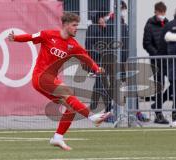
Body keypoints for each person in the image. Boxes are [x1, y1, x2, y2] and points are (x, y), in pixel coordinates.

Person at [8, 12, 112, 151]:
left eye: (77, 25)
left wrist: (96, 68)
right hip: (40, 77)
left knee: (71, 107)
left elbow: (86, 57)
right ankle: (92, 117)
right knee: (68, 93)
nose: (76, 28)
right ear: (66, 25)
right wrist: (15, 38)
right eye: (74, 25)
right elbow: (30, 37)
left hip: (50, 80)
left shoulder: (73, 45)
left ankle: (58, 137)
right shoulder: (48, 35)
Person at [142, 1, 169, 124]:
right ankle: (158, 114)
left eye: (163, 12)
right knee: (159, 86)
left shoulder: (168, 23)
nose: (161, 14)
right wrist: (157, 54)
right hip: (156, 61)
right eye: (159, 12)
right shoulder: (149, 25)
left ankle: (158, 104)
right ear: (156, 12)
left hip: (169, 61)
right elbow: (146, 43)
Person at [85, 11, 112, 117]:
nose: (104, 20)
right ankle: (108, 109)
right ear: (98, 19)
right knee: (103, 84)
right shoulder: (93, 28)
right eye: (102, 18)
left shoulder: (101, 28)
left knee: (99, 84)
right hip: (98, 61)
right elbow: (90, 45)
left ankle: (93, 106)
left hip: (102, 60)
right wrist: (101, 53)